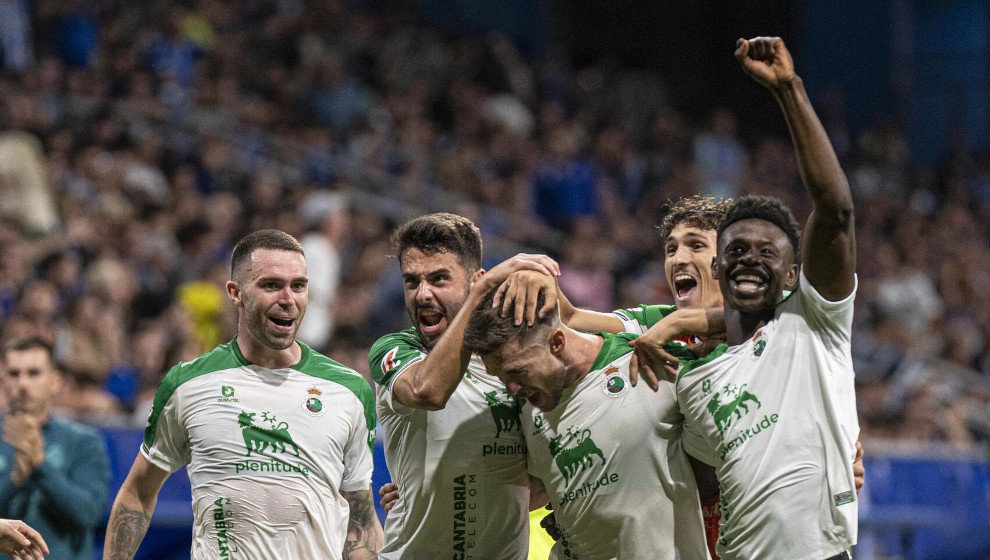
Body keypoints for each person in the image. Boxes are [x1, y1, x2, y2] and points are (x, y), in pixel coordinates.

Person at [673, 37, 859, 560]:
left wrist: (788, 90)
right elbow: (706, 491)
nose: (750, 258)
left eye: (767, 251)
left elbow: (836, 208)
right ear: (717, 265)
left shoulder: (813, 322)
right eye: (736, 248)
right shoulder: (694, 380)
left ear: (793, 273)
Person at [103, 229, 382, 559]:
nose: (288, 298)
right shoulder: (187, 384)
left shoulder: (349, 390)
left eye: (299, 286)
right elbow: (137, 493)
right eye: (271, 285)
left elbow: (360, 517)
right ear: (235, 293)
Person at [463, 289, 709, 560]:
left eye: (518, 372)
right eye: (500, 378)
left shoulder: (653, 364)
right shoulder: (526, 407)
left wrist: (678, 323)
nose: (511, 389)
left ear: (557, 342)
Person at [368, 213, 560, 559]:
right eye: (412, 282)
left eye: (439, 279)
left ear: (475, 281)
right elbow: (427, 392)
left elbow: (545, 478)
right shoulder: (396, 349)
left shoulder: (512, 363)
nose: (423, 294)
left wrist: (434, 493)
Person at [0, 337, 109, 560]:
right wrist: (15, 481)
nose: (22, 383)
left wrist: (40, 466)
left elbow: (88, 514)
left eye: (33, 373)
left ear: (55, 381)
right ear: (3, 380)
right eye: (14, 373)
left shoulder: (84, 441)